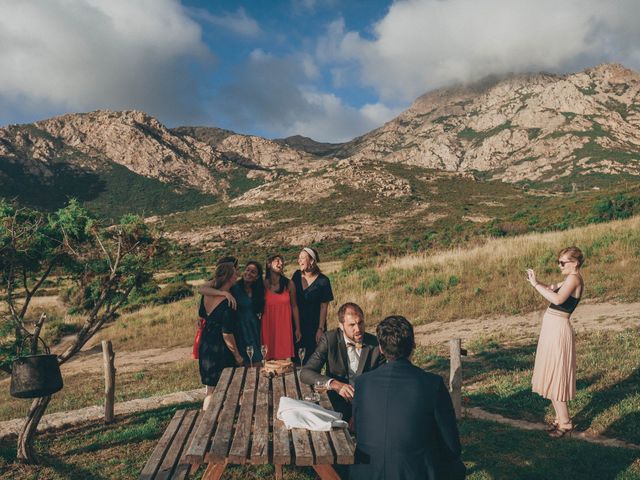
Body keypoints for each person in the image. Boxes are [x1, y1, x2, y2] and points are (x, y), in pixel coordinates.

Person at [349, 315, 465, 480]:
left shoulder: (362, 383)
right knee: (456, 467)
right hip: (413, 473)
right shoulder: (432, 384)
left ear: (381, 349)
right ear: (413, 345)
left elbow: (360, 430)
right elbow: (452, 446)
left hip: (365, 473)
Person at [527, 246, 584, 437]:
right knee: (551, 375)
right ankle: (560, 418)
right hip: (552, 330)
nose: (559, 266)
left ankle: (566, 423)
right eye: (558, 262)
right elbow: (552, 288)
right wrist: (536, 282)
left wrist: (536, 286)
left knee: (556, 376)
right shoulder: (569, 279)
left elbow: (558, 299)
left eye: (563, 262)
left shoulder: (575, 279)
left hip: (558, 331)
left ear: (574, 263)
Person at [300, 302, 385, 422]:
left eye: (360, 323)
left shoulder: (376, 345)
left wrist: (359, 412)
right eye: (352, 325)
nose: (358, 329)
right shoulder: (330, 339)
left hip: (367, 406)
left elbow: (380, 384)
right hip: (335, 406)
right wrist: (334, 384)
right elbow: (306, 372)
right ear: (341, 325)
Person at [198, 262, 244, 411]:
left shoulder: (206, 295)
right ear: (230, 278)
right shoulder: (228, 302)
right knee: (231, 387)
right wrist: (237, 354)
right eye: (235, 274)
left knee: (210, 390)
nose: (237, 276)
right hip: (220, 348)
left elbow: (201, 315)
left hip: (206, 345)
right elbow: (227, 333)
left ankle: (206, 421)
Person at [200, 260, 265, 364]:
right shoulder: (233, 287)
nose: (248, 273)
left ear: (257, 276)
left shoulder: (260, 289)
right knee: (247, 361)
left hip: (254, 328)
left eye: (253, 272)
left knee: (259, 360)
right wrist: (223, 293)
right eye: (247, 270)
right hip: (239, 328)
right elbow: (202, 289)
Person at [292, 247, 334, 363]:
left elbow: (324, 306)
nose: (299, 261)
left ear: (311, 261)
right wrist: (296, 327)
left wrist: (320, 328)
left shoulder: (323, 281)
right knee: (297, 360)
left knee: (314, 360)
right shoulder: (296, 276)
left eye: (302, 258)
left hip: (315, 326)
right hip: (297, 326)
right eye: (298, 258)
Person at [261, 254, 301, 360]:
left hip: (284, 326)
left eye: (282, 261)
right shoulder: (263, 284)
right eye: (277, 261)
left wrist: (297, 328)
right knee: (268, 360)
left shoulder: (289, 284)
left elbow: (294, 306)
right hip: (267, 326)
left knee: (284, 362)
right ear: (269, 264)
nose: (281, 263)